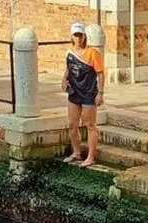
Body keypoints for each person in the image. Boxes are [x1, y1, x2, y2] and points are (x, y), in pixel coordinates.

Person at [61, 23, 104, 168]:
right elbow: (68, 68)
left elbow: (100, 73)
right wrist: (64, 79)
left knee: (90, 125)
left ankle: (91, 157)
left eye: (80, 35)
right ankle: (76, 152)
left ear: (84, 36)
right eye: (75, 35)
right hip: (74, 92)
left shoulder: (92, 53)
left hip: (88, 92)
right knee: (72, 125)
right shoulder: (70, 53)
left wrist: (100, 93)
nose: (78, 38)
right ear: (71, 37)